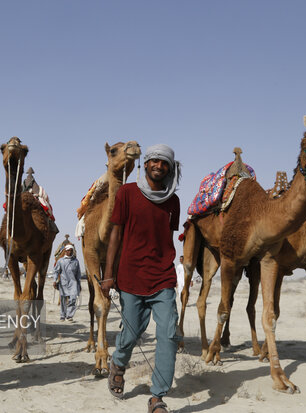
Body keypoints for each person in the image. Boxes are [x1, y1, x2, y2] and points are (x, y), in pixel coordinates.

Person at [102, 144, 181, 413]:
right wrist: (108, 275)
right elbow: (115, 235)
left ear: (170, 168)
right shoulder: (127, 193)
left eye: (165, 163)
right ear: (145, 164)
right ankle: (119, 363)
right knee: (132, 332)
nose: (159, 166)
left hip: (163, 277)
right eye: (155, 161)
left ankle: (157, 396)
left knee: (169, 333)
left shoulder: (173, 201)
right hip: (131, 275)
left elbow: (166, 238)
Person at [53, 244, 82, 321]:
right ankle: (62, 315)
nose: (70, 252)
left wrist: (79, 284)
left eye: (71, 250)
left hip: (73, 283)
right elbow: (56, 271)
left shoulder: (76, 261)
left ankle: (69, 315)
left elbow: (78, 274)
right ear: (65, 251)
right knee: (63, 300)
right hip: (63, 283)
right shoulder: (60, 261)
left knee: (73, 299)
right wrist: (55, 280)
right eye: (68, 250)